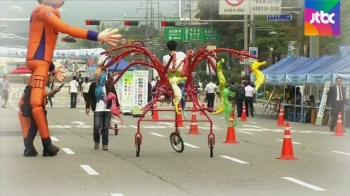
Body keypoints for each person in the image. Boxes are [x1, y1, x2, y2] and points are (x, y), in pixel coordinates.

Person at [20, 0, 122, 157]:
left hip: (40, 63)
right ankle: (46, 144)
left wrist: (52, 68)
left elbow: (42, 44)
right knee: (35, 104)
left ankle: (29, 146)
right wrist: (97, 35)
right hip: (40, 64)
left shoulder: (40, 12)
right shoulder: (45, 10)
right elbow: (65, 28)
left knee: (25, 103)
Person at [20, 77, 61, 157]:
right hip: (36, 111)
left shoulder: (36, 83)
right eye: (48, 78)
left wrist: (52, 93)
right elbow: (40, 95)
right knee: (34, 130)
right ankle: (29, 148)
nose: (49, 79)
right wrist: (53, 91)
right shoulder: (37, 84)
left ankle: (42, 149)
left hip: (38, 110)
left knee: (39, 129)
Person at [86, 67, 118, 151]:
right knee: (96, 126)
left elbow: (115, 95)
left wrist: (117, 106)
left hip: (107, 109)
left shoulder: (109, 85)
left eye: (99, 75)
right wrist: (87, 107)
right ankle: (96, 141)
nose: (97, 77)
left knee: (105, 127)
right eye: (96, 75)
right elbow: (89, 96)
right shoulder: (93, 85)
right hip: (97, 109)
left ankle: (105, 144)